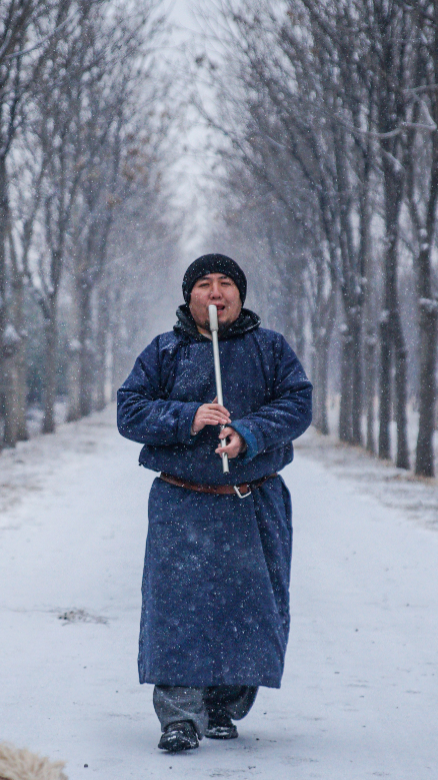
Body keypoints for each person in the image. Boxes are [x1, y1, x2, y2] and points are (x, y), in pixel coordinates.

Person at [116, 253, 312, 753]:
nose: (216, 293)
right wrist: (189, 417)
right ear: (189, 296)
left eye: (226, 284)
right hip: (182, 504)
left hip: (252, 503)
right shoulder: (164, 352)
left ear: (240, 296)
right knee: (178, 609)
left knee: (248, 608)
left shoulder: (270, 349)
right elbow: (130, 410)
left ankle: (224, 705)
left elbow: (296, 404)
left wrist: (248, 434)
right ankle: (180, 717)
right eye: (204, 284)